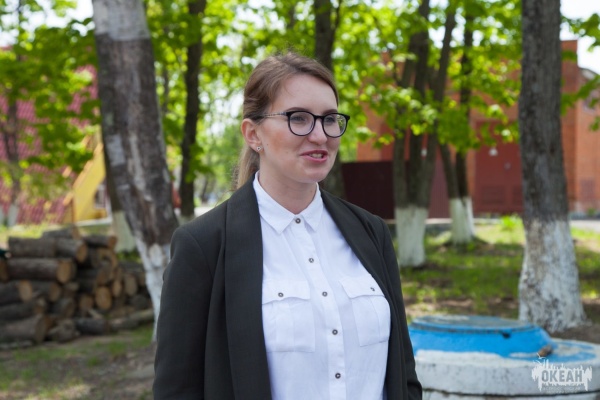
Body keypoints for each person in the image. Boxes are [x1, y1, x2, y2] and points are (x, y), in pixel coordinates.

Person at [153, 51, 422, 400]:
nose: (320, 135)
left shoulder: (371, 232)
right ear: (253, 134)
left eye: (329, 119)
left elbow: (403, 374)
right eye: (299, 118)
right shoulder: (203, 246)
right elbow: (177, 390)